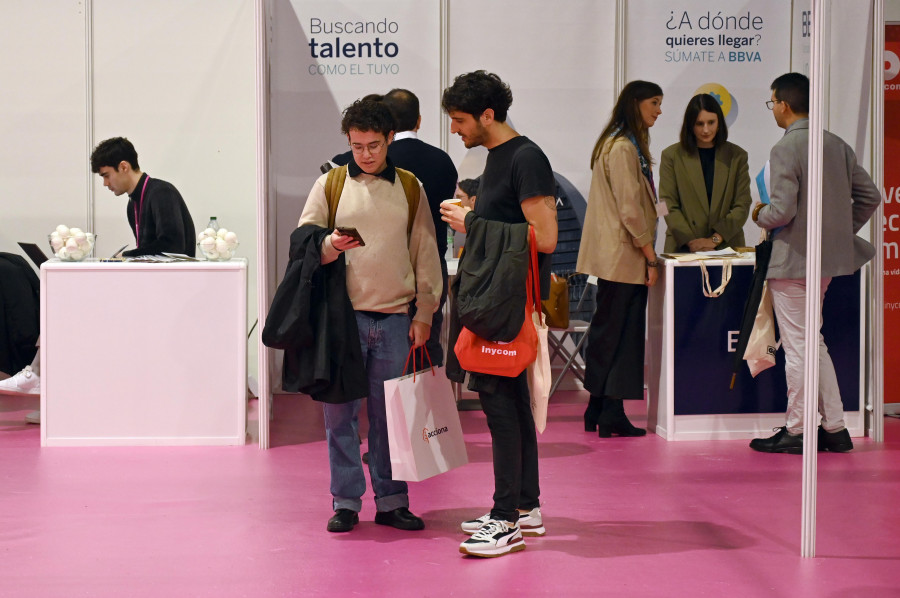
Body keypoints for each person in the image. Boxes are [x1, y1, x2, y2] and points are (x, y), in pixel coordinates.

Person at [297, 99, 442, 532]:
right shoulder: (330, 185)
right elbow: (304, 239)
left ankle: (392, 500)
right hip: (343, 321)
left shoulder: (411, 186)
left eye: (373, 145)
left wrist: (426, 313)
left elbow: (426, 253)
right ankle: (345, 501)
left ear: (391, 139)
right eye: (357, 145)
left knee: (390, 418)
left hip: (397, 318)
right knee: (339, 415)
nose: (365, 154)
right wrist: (328, 246)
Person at [440, 70, 558, 557]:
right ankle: (524, 506)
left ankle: (505, 518)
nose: (455, 130)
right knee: (510, 406)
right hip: (498, 301)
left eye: (461, 120)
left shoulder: (525, 158)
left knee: (501, 410)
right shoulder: (498, 158)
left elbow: (545, 238)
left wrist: (472, 222)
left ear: (489, 115)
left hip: (507, 307)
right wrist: (478, 212)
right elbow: (512, 224)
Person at [749, 73, 881, 454]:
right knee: (812, 342)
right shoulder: (836, 144)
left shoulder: (786, 147)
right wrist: (837, 232)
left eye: (772, 102)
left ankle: (798, 429)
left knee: (799, 346)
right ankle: (835, 427)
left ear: (784, 104)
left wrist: (759, 213)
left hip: (792, 260)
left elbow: (782, 211)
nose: (772, 108)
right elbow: (869, 196)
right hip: (826, 261)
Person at [576, 80, 664, 438]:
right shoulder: (624, 148)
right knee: (622, 335)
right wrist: (650, 256)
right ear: (636, 104)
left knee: (607, 331)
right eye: (654, 103)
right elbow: (630, 210)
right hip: (624, 257)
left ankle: (597, 406)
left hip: (613, 256)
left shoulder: (615, 143)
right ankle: (610, 409)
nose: (658, 111)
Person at [659, 94, 751, 253]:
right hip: (683, 248)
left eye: (711, 122)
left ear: (719, 122)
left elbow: (742, 204)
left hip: (727, 247)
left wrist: (715, 239)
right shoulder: (671, 155)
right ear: (690, 125)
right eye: (699, 124)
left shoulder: (737, 156)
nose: (706, 130)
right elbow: (665, 204)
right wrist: (691, 241)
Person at [90, 137, 196, 257]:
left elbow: (172, 247)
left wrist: (127, 255)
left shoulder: (162, 192)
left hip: (177, 275)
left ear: (124, 167)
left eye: (106, 175)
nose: (105, 183)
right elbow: (148, 251)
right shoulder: (132, 204)